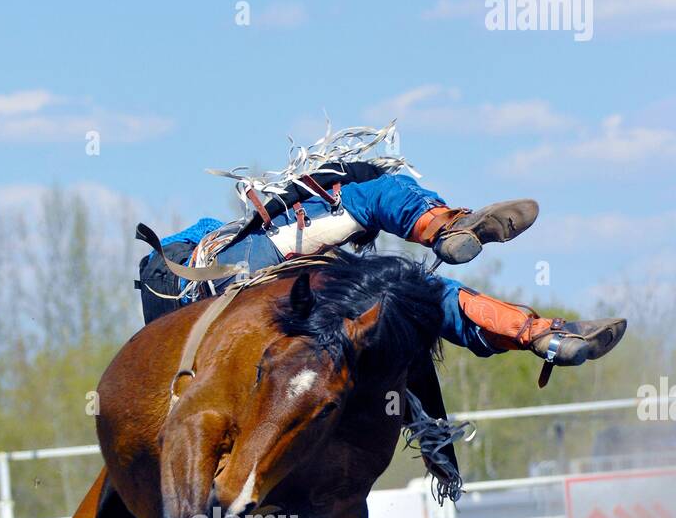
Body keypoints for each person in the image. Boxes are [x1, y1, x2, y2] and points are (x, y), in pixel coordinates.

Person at [139, 130, 626, 372]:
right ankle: (446, 229)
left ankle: (541, 334)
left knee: (411, 291)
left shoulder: (175, 281)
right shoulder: (201, 244)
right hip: (225, 283)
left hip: (238, 305)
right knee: (367, 187)